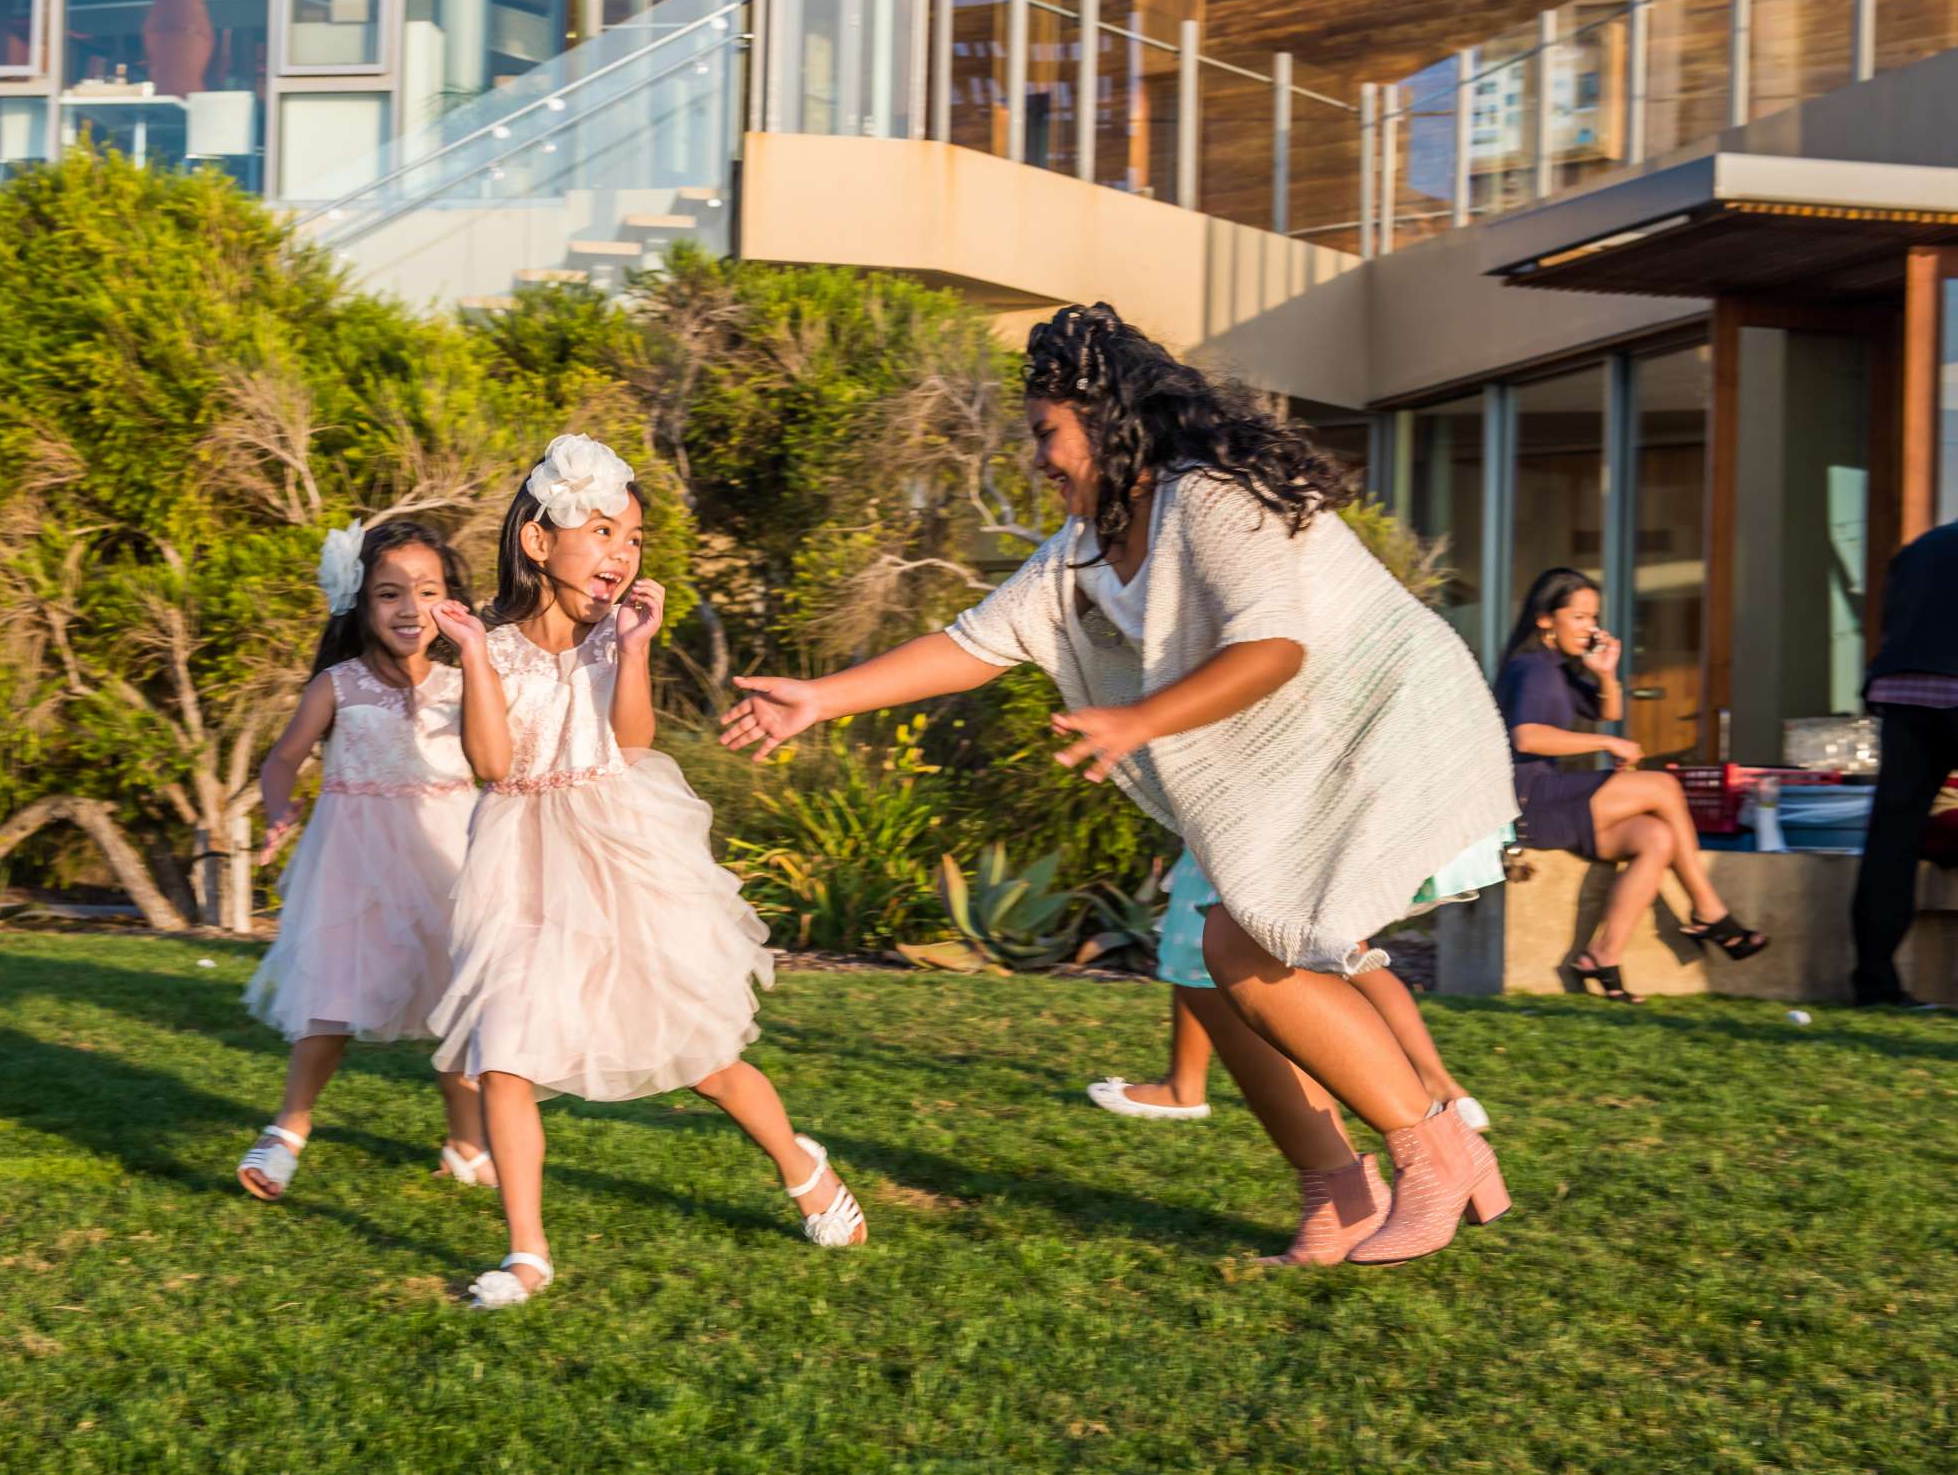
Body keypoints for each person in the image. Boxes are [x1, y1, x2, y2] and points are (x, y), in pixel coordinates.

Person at [727, 303, 1515, 1267]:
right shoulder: (1088, 549)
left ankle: (1429, 1153)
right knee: (1225, 950)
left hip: (1387, 735)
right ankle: (1357, 1183)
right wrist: (821, 698)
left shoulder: (1211, 498)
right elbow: (977, 642)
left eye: (1045, 434)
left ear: (1107, 420)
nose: (1038, 458)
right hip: (1302, 769)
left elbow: (1274, 645)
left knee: (1240, 944)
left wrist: (1141, 719)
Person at [428, 436, 866, 1309]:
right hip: (523, 860)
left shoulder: (613, 637)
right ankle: (527, 1255)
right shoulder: (493, 643)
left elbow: (632, 745)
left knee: (698, 1051)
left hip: (619, 848)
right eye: (602, 532)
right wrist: (476, 659)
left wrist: (633, 651)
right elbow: (491, 764)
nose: (621, 556)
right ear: (539, 542)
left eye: (633, 540)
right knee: (504, 1055)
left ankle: (800, 1165)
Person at [234, 518, 496, 1202]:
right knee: (330, 1000)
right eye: (389, 593)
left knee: (459, 1001)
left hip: (449, 856)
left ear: (452, 601)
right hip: (352, 863)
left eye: (427, 590)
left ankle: (467, 1142)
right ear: (359, 602)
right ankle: (289, 1128)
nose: (410, 608)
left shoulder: (467, 680)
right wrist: (278, 806)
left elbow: (500, 758)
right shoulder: (339, 686)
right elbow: (284, 758)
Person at [1494, 567, 1767, 1003]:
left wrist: (1605, 673)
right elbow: (1526, 736)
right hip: (1528, 800)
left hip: (1545, 797)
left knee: (1655, 837)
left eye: (1593, 617)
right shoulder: (1532, 668)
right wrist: (1606, 742)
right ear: (1546, 619)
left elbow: (1607, 710)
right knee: (1662, 787)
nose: (1591, 627)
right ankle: (1709, 909)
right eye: (1579, 617)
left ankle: (1602, 956)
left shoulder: (1557, 668)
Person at [1090, 850, 1491, 1137]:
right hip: (1304, 816)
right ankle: (1440, 1085)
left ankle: (1186, 1090)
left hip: (1261, 826)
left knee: (1198, 942)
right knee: (1349, 950)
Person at [1851, 518, 1958, 1010]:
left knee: (1892, 839)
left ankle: (1875, 984)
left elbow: (1890, 620)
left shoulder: (1922, 547)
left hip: (1902, 692)